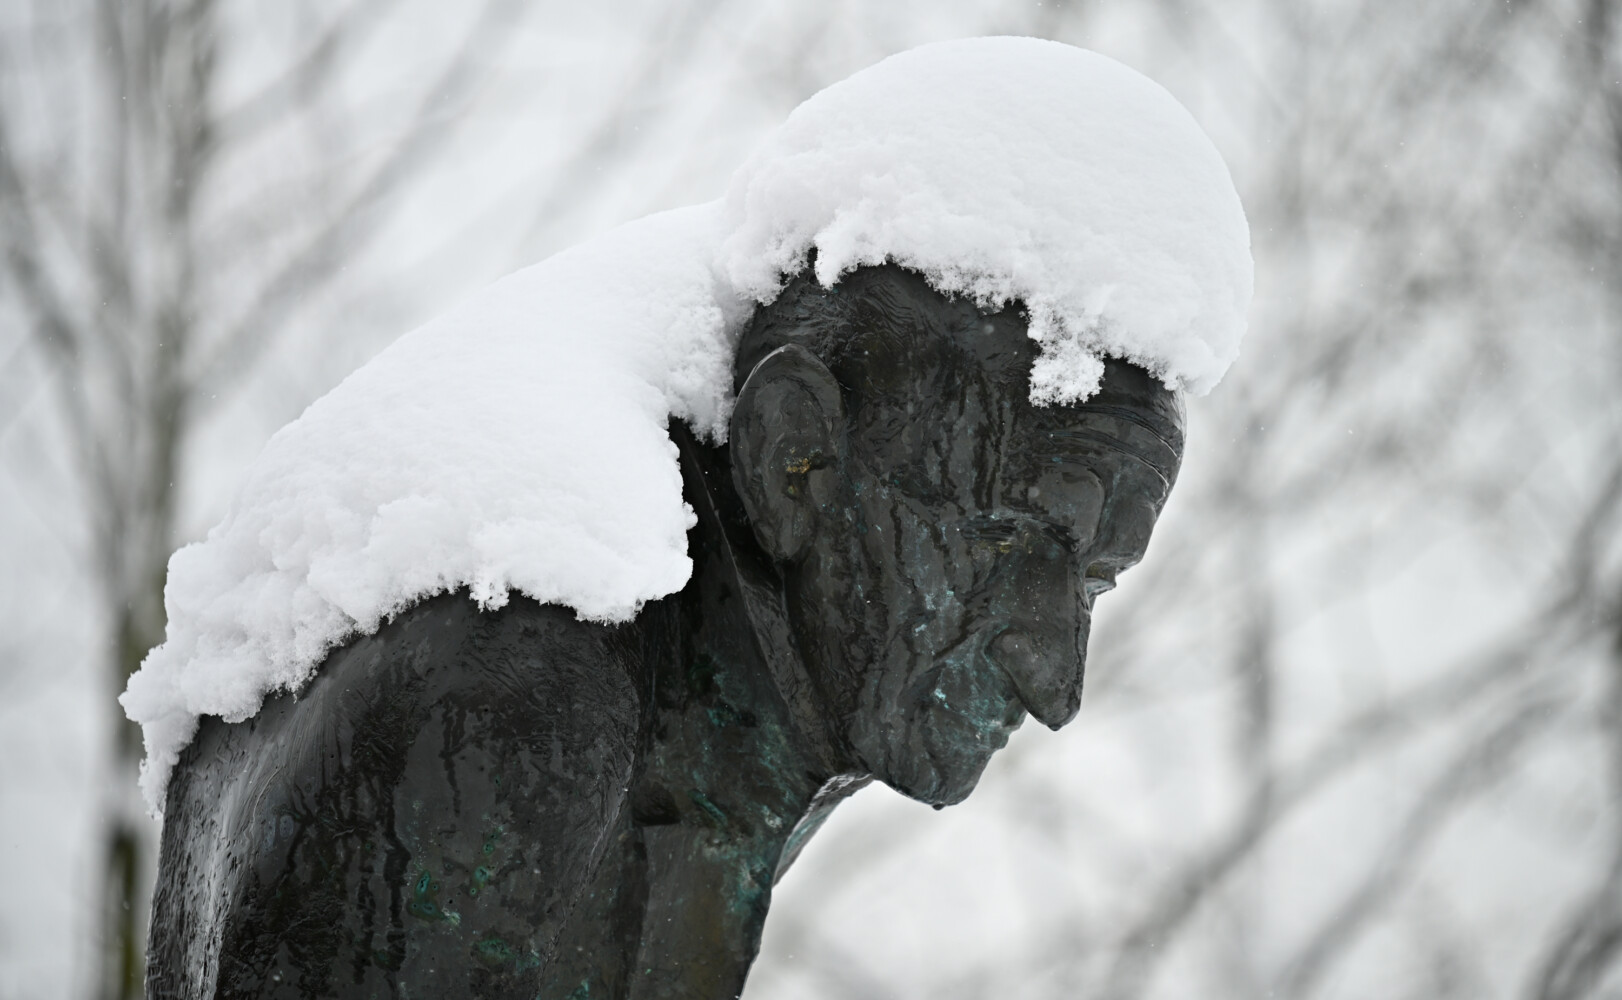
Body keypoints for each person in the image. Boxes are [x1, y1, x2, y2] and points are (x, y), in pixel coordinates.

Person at [145, 263, 1183, 999]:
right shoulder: (514, 696)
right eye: (1006, 542)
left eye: (1094, 584)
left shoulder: (777, 696)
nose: (1056, 684)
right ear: (796, 462)